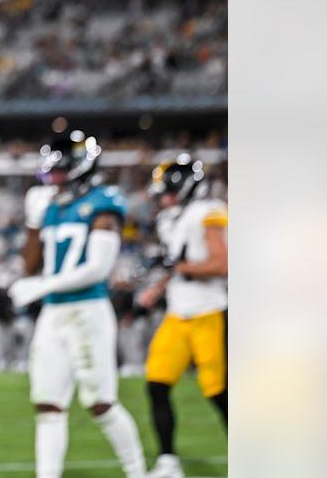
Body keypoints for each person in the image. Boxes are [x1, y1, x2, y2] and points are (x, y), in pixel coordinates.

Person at [10, 131, 147, 478]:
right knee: (48, 404)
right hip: (54, 313)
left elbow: (99, 268)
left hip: (88, 310)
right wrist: (32, 222)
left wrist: (43, 285)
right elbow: (29, 265)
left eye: (58, 170)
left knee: (100, 403)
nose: (51, 178)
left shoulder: (104, 202)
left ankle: (137, 471)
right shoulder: (53, 206)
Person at [137, 154, 228, 478]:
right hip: (178, 313)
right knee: (157, 384)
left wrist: (181, 269)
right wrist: (158, 288)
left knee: (219, 392)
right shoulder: (173, 219)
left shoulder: (208, 212)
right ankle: (167, 462)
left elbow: (222, 263)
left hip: (210, 311)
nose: (163, 197)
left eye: (168, 190)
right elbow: (175, 265)